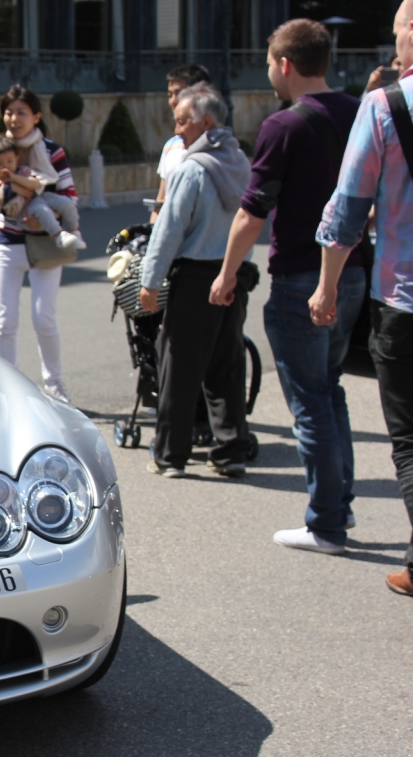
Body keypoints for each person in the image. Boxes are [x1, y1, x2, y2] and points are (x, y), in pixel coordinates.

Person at [213, 20, 363, 553]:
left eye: (271, 63)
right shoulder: (360, 111)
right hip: (351, 272)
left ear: (285, 64)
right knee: (330, 389)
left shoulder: (284, 125)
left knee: (310, 402)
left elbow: (252, 213)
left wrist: (227, 273)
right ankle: (337, 506)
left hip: (302, 276)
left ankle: (326, 522)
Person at [316, 0, 413, 596]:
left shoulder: (385, 106)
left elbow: (349, 205)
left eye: (399, 25)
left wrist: (327, 284)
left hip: (404, 301)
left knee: (408, 438)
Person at [139, 85, 253, 478]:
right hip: (233, 273)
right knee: (226, 364)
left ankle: (170, 455)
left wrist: (150, 281)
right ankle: (231, 449)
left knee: (179, 366)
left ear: (206, 122)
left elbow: (169, 230)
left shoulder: (192, 168)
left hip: (196, 276)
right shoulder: (238, 161)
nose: (178, 128)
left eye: (183, 121)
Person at [0, 85, 79, 404]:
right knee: (5, 320)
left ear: (37, 116)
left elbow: (69, 195)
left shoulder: (52, 151)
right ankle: (9, 385)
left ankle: (54, 385)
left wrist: (44, 215)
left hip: (46, 242)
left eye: (21, 112)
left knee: (44, 318)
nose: (14, 118)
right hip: (8, 242)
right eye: (9, 112)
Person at [0, 134, 84, 250]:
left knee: (64, 202)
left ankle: (74, 232)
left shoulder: (50, 150)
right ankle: (59, 235)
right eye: (0, 163)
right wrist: (11, 188)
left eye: (9, 161)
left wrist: (53, 216)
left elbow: (36, 184)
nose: (5, 166)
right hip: (12, 233)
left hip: (43, 224)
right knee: (40, 209)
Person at [151, 64, 212, 223]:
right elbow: (160, 202)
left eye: (179, 93)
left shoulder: (220, 147)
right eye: (170, 94)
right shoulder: (171, 146)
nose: (173, 101)